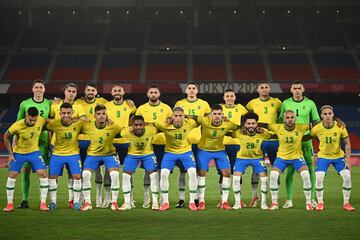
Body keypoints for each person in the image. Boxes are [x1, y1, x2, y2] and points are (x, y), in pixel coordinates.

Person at [279, 82, 319, 208]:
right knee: (290, 171)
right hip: (291, 142)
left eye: (299, 88)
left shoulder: (310, 103)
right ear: (291, 90)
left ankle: (311, 198)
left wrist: (311, 135)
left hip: (306, 141)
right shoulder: (285, 103)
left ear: (303, 89)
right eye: (295, 88)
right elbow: (281, 121)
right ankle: (289, 199)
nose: (297, 91)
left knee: (310, 169)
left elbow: (317, 122)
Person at [3, 107, 49, 212]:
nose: (33, 122)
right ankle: (9, 204)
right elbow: (6, 136)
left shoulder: (40, 120)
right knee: (12, 175)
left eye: (35, 120)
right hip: (19, 153)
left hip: (34, 152)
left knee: (43, 173)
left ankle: (43, 203)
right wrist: (10, 154)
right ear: (26, 116)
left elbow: (48, 122)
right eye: (30, 120)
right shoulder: (17, 125)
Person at [310, 105, 355, 211]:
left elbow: (347, 143)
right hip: (323, 157)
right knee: (319, 177)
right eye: (325, 114)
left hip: (338, 157)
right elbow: (308, 138)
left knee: (347, 176)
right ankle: (320, 202)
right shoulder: (317, 128)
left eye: (329, 113)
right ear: (321, 116)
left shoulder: (340, 126)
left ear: (333, 114)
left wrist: (348, 161)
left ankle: (346, 203)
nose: (327, 116)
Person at [49, 82, 86, 208]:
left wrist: (73, 120)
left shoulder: (79, 106)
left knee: (73, 174)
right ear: (64, 92)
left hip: (72, 146)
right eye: (69, 91)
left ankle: (72, 201)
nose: (71, 93)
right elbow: (49, 122)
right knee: (54, 175)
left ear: (76, 93)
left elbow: (84, 119)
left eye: (74, 91)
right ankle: (53, 202)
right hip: (56, 145)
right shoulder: (55, 104)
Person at [16, 79, 51, 209]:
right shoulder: (25, 104)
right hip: (26, 144)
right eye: (36, 87)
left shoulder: (49, 103)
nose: (38, 90)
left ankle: (43, 201)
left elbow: (51, 122)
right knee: (26, 171)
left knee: (43, 173)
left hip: (42, 143)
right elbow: (17, 124)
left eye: (41, 87)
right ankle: (25, 200)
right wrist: (16, 143)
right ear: (32, 89)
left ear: (44, 89)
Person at [268, 110, 313, 211]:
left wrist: (336, 120)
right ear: (284, 119)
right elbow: (264, 125)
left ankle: (309, 202)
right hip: (282, 158)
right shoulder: (277, 127)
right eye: (287, 118)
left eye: (292, 117)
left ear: (295, 119)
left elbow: (318, 124)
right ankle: (274, 202)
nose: (290, 120)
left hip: (297, 157)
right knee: (273, 176)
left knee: (306, 175)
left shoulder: (302, 127)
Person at [195, 104, 238, 210]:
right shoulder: (204, 121)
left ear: (223, 115)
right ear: (211, 115)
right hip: (203, 150)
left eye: (219, 114)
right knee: (201, 173)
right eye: (215, 114)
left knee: (227, 173)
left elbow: (237, 127)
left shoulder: (227, 124)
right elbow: (192, 117)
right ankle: (201, 201)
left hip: (220, 151)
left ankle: (224, 202)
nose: (217, 116)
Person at [175, 82, 211, 207]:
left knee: (196, 171)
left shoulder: (204, 104)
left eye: (193, 88)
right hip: (183, 143)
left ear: (197, 90)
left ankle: (196, 198)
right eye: (189, 88)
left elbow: (208, 123)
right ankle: (181, 199)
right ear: (186, 91)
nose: (191, 90)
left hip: (198, 142)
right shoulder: (179, 104)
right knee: (183, 171)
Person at [246, 82, 282, 207]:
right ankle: (255, 196)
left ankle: (274, 198)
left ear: (269, 89)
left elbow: (282, 117)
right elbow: (248, 117)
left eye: (266, 87)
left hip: (274, 140)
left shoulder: (277, 102)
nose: (264, 89)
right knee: (256, 168)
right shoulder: (252, 103)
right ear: (258, 90)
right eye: (262, 87)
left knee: (276, 168)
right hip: (258, 140)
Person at [156, 107, 199, 211]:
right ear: (172, 117)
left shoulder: (190, 123)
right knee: (164, 173)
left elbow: (202, 119)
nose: (178, 118)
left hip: (186, 152)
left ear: (184, 116)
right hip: (170, 153)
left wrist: (190, 116)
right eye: (176, 116)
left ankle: (192, 202)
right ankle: (165, 202)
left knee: (193, 172)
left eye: (180, 116)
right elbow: (154, 124)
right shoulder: (165, 125)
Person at [136, 85, 172, 208]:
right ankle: (147, 197)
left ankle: (162, 198)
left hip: (162, 143)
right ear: (147, 94)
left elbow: (169, 125)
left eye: (155, 92)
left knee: (162, 172)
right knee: (148, 171)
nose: (153, 94)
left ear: (159, 94)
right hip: (147, 145)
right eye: (151, 92)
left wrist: (153, 124)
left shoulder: (166, 108)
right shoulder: (141, 109)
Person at [80, 105, 122, 211]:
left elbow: (123, 130)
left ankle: (114, 202)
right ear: (94, 115)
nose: (101, 116)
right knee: (85, 174)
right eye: (98, 114)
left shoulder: (114, 127)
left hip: (109, 154)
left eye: (103, 114)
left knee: (115, 174)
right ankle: (88, 202)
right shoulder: (87, 126)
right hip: (93, 155)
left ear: (107, 115)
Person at [77, 83, 110, 208]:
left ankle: (100, 196)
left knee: (100, 170)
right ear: (85, 91)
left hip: (98, 140)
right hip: (81, 140)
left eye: (93, 90)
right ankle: (82, 197)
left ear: (96, 92)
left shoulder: (104, 102)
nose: (90, 92)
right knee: (83, 171)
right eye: (88, 90)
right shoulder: (78, 103)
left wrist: (129, 101)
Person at [105, 85, 137, 207]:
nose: (117, 92)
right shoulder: (106, 106)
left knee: (129, 170)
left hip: (125, 142)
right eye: (115, 90)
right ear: (111, 92)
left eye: (119, 90)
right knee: (109, 170)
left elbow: (134, 118)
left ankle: (131, 198)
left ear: (123, 92)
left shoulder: (130, 105)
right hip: (111, 141)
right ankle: (108, 198)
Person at [118, 115, 159, 211]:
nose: (138, 127)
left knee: (153, 175)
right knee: (125, 176)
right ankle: (127, 202)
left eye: (141, 125)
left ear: (144, 124)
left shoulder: (151, 130)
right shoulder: (126, 132)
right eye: (136, 125)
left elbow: (162, 128)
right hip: (132, 154)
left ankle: (155, 202)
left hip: (148, 154)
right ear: (132, 125)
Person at [231, 112, 270, 210]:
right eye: (248, 124)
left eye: (253, 123)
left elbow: (273, 135)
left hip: (257, 159)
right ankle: (237, 203)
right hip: (241, 158)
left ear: (257, 124)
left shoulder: (263, 133)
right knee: (236, 178)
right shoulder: (239, 132)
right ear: (245, 124)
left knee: (264, 179)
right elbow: (230, 132)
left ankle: (264, 202)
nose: (251, 125)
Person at [221, 89, 247, 208]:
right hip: (222, 144)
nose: (229, 98)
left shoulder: (241, 108)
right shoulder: (219, 109)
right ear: (224, 97)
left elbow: (248, 121)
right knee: (222, 173)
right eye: (227, 96)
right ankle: (223, 199)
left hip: (237, 144)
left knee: (238, 173)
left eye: (231, 96)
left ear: (235, 97)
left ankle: (239, 199)